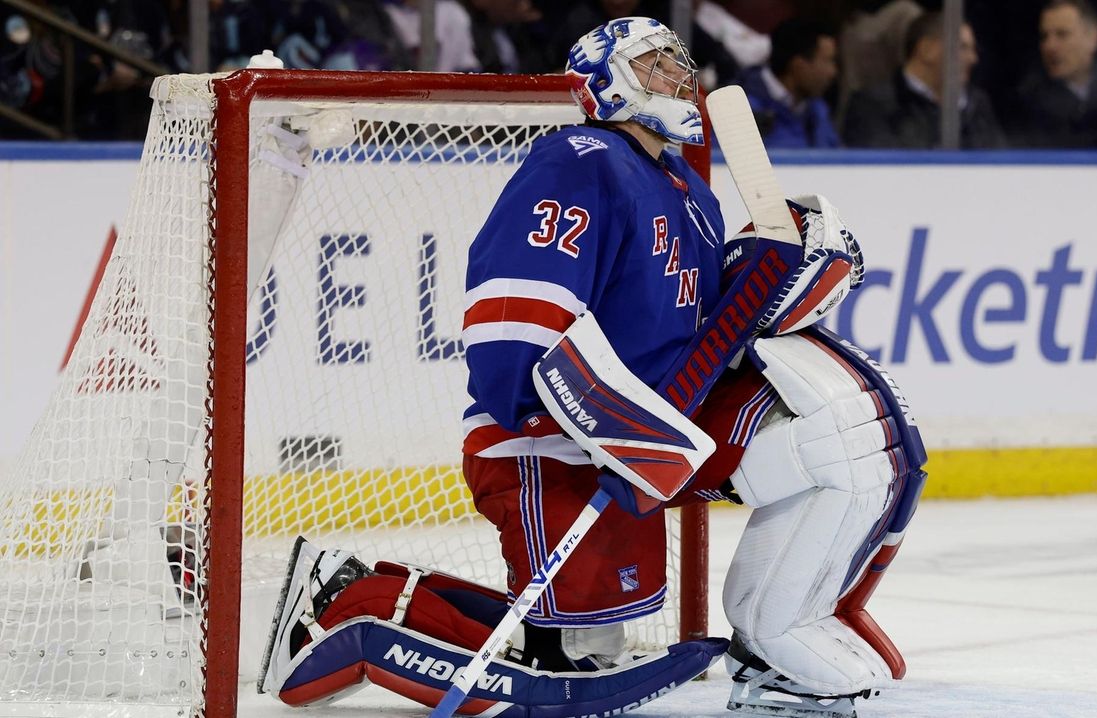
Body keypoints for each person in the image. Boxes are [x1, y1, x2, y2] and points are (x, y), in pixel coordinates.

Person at [257, 16, 926, 718]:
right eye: (653, 60)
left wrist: (772, 275)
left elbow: (702, 336)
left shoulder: (687, 191)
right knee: (572, 657)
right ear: (604, 77)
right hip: (552, 437)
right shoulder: (580, 157)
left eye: (677, 57)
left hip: (637, 438)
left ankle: (354, 588)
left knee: (833, 431)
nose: (677, 72)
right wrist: (576, 414)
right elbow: (518, 314)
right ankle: (350, 612)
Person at [842, 11, 1004, 148]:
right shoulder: (874, 105)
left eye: (973, 49)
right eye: (962, 47)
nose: (973, 59)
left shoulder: (977, 105)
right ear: (926, 50)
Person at [1012, 0, 1097, 148]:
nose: (1050, 46)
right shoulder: (1028, 100)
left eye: (1062, 34)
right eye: (1044, 36)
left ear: (1093, 38)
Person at [738, 17, 842, 148]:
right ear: (799, 66)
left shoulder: (818, 110)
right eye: (828, 61)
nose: (833, 72)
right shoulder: (739, 110)